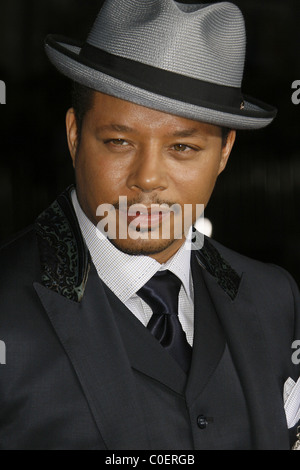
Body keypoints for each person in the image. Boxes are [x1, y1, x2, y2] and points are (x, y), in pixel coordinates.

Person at [0, 0, 299, 451]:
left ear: (224, 153)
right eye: (119, 141)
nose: (148, 178)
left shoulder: (275, 298)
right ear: (75, 135)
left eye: (182, 147)